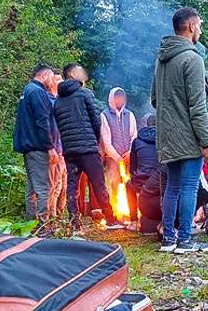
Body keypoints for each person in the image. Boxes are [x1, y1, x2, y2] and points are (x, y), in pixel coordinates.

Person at [151, 7, 208, 253]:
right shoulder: (192, 59)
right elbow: (198, 107)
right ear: (191, 27)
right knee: (189, 186)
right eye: (199, 25)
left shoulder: (161, 59)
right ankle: (185, 240)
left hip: (167, 135)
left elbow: (155, 100)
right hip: (188, 135)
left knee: (173, 187)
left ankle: (169, 239)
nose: (200, 30)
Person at [54, 63, 124, 232]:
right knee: (99, 184)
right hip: (87, 148)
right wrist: (94, 139)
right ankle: (111, 218)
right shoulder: (85, 94)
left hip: (70, 150)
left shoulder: (58, 101)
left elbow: (59, 125)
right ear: (72, 74)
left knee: (72, 185)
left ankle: (74, 223)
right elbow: (96, 120)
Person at [13, 64, 58, 226]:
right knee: (42, 187)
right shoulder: (38, 92)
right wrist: (50, 147)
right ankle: (43, 227)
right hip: (37, 147)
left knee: (32, 188)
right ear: (44, 75)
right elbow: (42, 121)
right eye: (52, 77)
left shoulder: (27, 90)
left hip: (28, 146)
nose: (53, 82)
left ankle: (30, 224)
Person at [100, 86, 138, 197]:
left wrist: (130, 153)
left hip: (129, 158)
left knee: (129, 183)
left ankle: (131, 210)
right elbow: (106, 142)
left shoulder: (129, 115)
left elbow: (134, 137)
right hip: (112, 159)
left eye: (121, 97)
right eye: (117, 97)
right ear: (111, 98)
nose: (119, 100)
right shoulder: (105, 115)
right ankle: (115, 210)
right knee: (115, 183)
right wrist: (118, 158)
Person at [127, 115, 161, 231]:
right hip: (160, 181)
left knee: (128, 185)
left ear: (147, 125)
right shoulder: (164, 140)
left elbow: (132, 169)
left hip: (141, 182)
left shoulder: (136, 141)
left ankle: (134, 221)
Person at [43, 68, 67, 217]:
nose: (60, 84)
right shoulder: (48, 101)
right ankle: (50, 218)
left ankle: (59, 215)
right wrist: (52, 148)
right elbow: (49, 127)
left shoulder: (61, 101)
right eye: (57, 81)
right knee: (54, 185)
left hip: (63, 149)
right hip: (54, 149)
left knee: (62, 185)